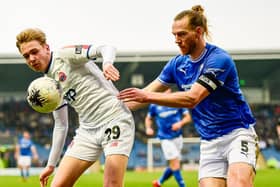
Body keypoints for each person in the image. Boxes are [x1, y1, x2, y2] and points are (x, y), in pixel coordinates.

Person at [118, 5, 259, 187]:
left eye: (182, 34)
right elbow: (146, 92)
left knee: (238, 183)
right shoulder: (176, 65)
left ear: (198, 32)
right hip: (209, 142)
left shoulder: (218, 59)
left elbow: (192, 98)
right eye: (174, 35)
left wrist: (146, 97)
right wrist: (108, 110)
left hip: (237, 133)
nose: (177, 40)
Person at [16, 28, 135, 187]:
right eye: (26, 56)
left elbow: (106, 48)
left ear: (46, 47)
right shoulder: (48, 86)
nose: (31, 58)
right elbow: (61, 125)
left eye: (34, 51)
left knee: (112, 184)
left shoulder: (65, 55)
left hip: (114, 119)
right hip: (87, 131)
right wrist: (51, 165)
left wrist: (107, 64)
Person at [145, 89, 192, 187]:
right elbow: (148, 118)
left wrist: (180, 123)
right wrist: (148, 128)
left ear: (170, 90)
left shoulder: (177, 101)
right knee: (175, 164)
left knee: (174, 165)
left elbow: (188, 117)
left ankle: (159, 182)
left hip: (178, 137)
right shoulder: (155, 104)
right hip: (165, 138)